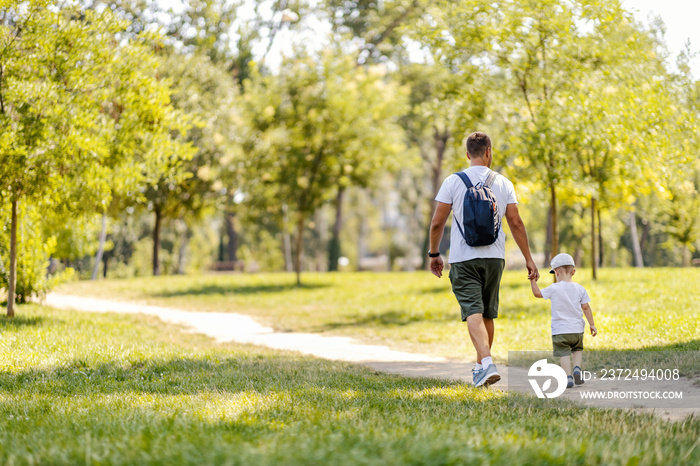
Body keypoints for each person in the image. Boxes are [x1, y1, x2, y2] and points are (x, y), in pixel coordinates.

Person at [429, 131, 539, 388]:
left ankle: (487, 362)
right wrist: (529, 259)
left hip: (463, 258)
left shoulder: (453, 181)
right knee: (487, 313)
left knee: (473, 311)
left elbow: (437, 223)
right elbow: (516, 223)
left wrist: (434, 254)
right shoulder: (503, 183)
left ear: (467, 155)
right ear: (489, 152)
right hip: (494, 258)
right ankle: (481, 368)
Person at [529, 253, 598, 388]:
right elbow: (586, 307)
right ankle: (577, 368)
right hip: (577, 330)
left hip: (560, 331)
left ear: (556, 272)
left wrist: (532, 280)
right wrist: (592, 325)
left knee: (564, 353)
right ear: (573, 272)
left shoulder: (554, 288)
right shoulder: (580, 288)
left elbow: (537, 294)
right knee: (577, 349)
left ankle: (568, 377)